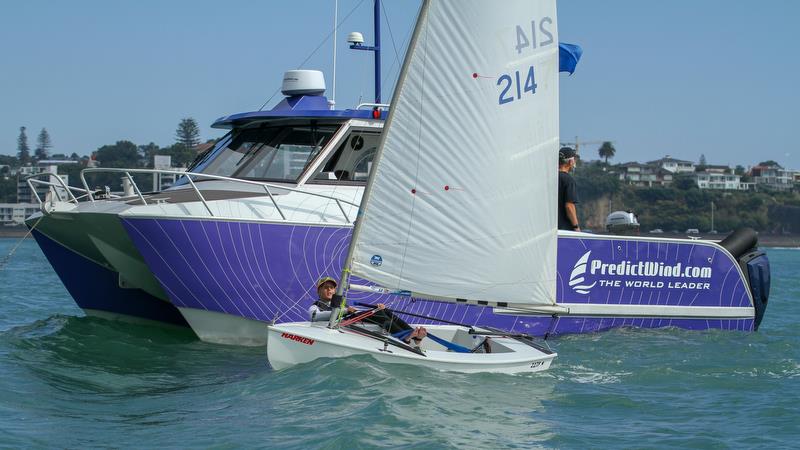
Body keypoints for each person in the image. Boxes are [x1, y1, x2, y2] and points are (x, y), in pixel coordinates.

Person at [308, 276, 427, 347]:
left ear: (335, 290)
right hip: (341, 324)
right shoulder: (316, 306)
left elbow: (354, 311)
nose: (329, 290)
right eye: (325, 288)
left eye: (331, 288)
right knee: (379, 314)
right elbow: (314, 317)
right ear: (319, 291)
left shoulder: (340, 303)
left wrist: (376, 308)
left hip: (351, 321)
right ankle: (405, 338)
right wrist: (344, 311)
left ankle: (413, 335)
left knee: (384, 311)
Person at [558, 147, 581, 232]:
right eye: (574, 160)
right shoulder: (568, 180)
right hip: (564, 230)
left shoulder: (550, 178)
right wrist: (576, 227)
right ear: (570, 162)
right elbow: (569, 206)